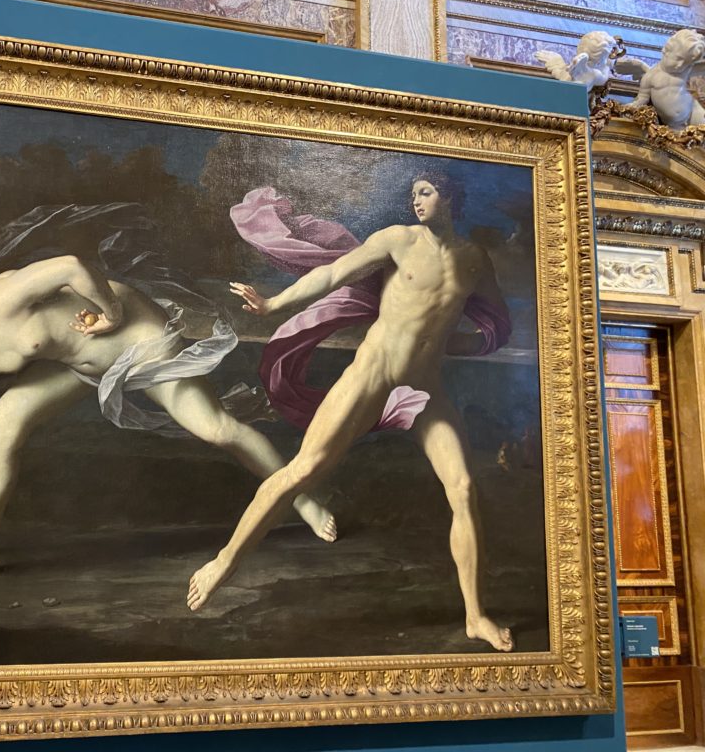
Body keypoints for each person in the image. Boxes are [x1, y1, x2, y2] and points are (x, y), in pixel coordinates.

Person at [0, 252, 336, 583]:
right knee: (2, 424)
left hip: (138, 340)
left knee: (217, 429)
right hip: (82, 367)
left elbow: (70, 266)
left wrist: (111, 314)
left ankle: (300, 497)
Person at [186, 175, 516, 652]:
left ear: (450, 197)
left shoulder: (473, 259)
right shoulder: (398, 240)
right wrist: (273, 304)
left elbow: (496, 324)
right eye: (413, 193)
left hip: (424, 389)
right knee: (303, 470)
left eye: (425, 192)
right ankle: (225, 561)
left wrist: (448, 344)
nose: (416, 200)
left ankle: (475, 616)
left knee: (463, 489)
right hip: (371, 378)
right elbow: (331, 275)